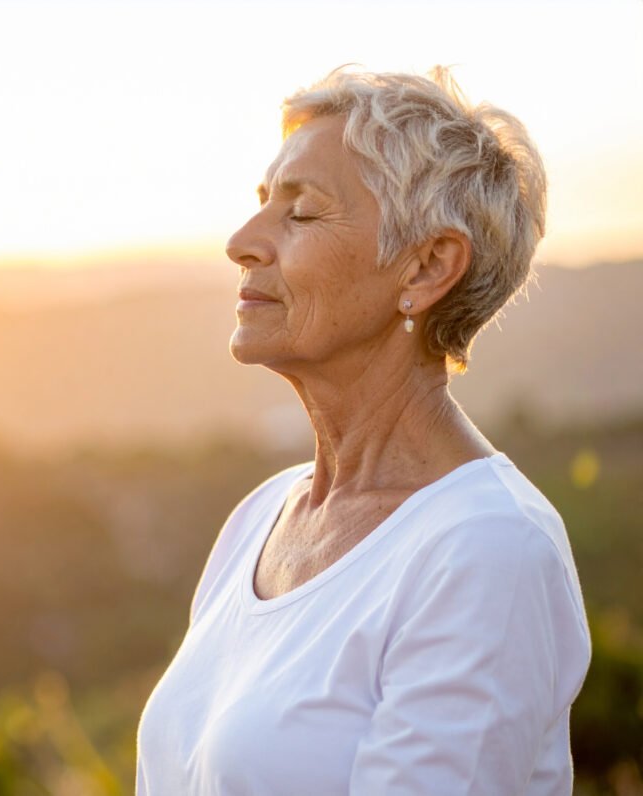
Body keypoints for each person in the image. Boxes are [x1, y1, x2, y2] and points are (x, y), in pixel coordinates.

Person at [135, 67, 592, 795]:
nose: (242, 242)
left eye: (302, 213)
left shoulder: (487, 550)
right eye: (261, 203)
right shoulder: (261, 518)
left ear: (426, 266)